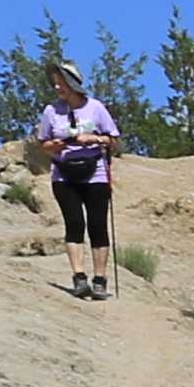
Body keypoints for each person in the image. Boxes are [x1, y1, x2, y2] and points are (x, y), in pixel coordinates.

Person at [29, 59, 123, 300]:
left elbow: (113, 140)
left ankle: (100, 279)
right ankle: (79, 277)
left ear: (73, 84)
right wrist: (55, 146)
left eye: (62, 84)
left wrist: (93, 139)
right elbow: (43, 144)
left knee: (97, 225)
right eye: (55, 84)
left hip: (96, 172)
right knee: (74, 223)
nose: (58, 88)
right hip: (63, 173)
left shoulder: (96, 108)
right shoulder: (51, 112)